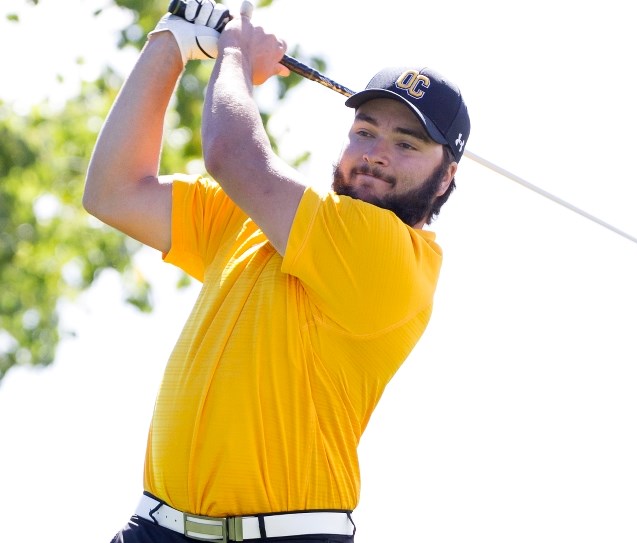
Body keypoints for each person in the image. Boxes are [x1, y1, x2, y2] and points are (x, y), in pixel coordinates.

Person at [83, 0, 470, 541]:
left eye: (407, 144)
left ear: (447, 177)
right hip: (155, 526)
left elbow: (231, 155)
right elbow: (113, 193)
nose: (377, 154)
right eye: (365, 132)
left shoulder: (390, 253)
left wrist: (236, 57)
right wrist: (171, 43)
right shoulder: (266, 217)